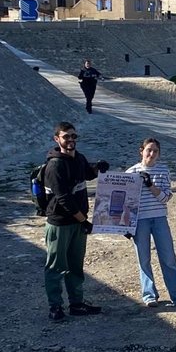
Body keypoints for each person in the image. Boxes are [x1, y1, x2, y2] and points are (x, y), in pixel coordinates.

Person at [43, 121, 106, 320]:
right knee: (55, 266)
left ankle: (76, 303)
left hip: (77, 223)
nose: (70, 140)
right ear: (57, 139)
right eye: (66, 137)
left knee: (75, 266)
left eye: (73, 136)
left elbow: (87, 173)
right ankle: (55, 307)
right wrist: (83, 220)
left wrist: (98, 168)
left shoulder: (78, 158)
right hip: (59, 223)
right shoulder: (54, 165)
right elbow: (64, 199)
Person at [125, 137, 176, 308]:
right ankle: (149, 295)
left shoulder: (163, 171)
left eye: (155, 151)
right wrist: (125, 225)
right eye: (149, 150)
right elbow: (125, 202)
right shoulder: (131, 173)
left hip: (159, 217)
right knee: (143, 258)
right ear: (142, 151)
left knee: (168, 257)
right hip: (140, 220)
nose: (152, 154)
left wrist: (151, 186)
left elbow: (166, 197)